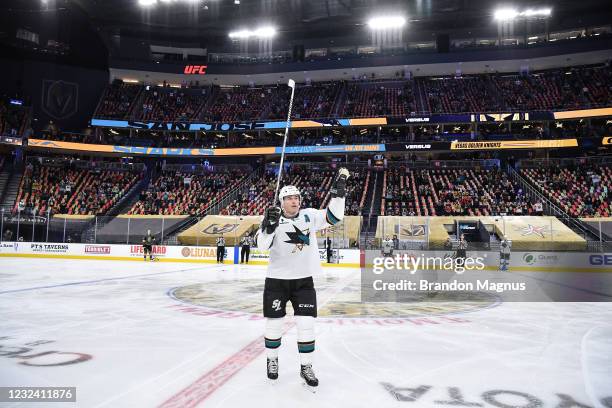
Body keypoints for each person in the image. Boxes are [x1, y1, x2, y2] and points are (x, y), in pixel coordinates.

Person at [256, 167, 348, 389]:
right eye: (289, 198)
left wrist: (339, 195)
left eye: (297, 197)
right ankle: (272, 360)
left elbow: (335, 217)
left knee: (306, 324)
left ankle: (306, 366)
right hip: (277, 280)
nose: (294, 201)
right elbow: (261, 246)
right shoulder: (272, 218)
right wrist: (268, 228)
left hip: (304, 281)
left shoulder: (310, 215)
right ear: (281, 201)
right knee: (274, 324)